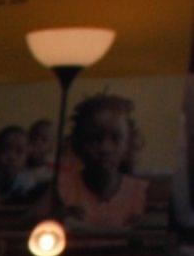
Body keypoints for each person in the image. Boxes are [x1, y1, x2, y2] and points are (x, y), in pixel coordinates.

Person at [57, 92, 149, 234]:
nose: (105, 149)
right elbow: (23, 223)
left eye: (116, 138)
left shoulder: (141, 192)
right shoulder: (62, 187)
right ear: (79, 143)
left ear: (129, 144)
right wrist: (54, 217)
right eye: (95, 139)